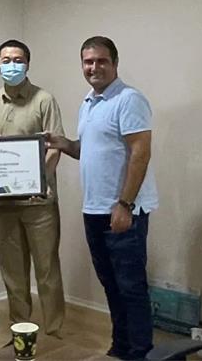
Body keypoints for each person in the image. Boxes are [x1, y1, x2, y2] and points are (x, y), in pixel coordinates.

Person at [45, 36, 157, 360]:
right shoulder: (89, 103)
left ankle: (140, 352)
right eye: (88, 61)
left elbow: (140, 152)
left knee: (131, 288)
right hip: (94, 210)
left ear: (115, 63)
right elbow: (90, 150)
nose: (94, 67)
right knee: (111, 284)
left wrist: (124, 205)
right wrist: (63, 143)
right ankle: (120, 347)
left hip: (123, 211)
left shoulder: (129, 99)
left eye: (101, 61)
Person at [0, 39, 66, 337]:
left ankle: (54, 335)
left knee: (47, 271)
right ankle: (21, 333)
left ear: (27, 64)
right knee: (13, 274)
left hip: (39, 203)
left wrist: (38, 181)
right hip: (5, 203)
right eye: (6, 60)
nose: (11, 65)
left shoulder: (44, 100)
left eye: (18, 60)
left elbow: (55, 146)